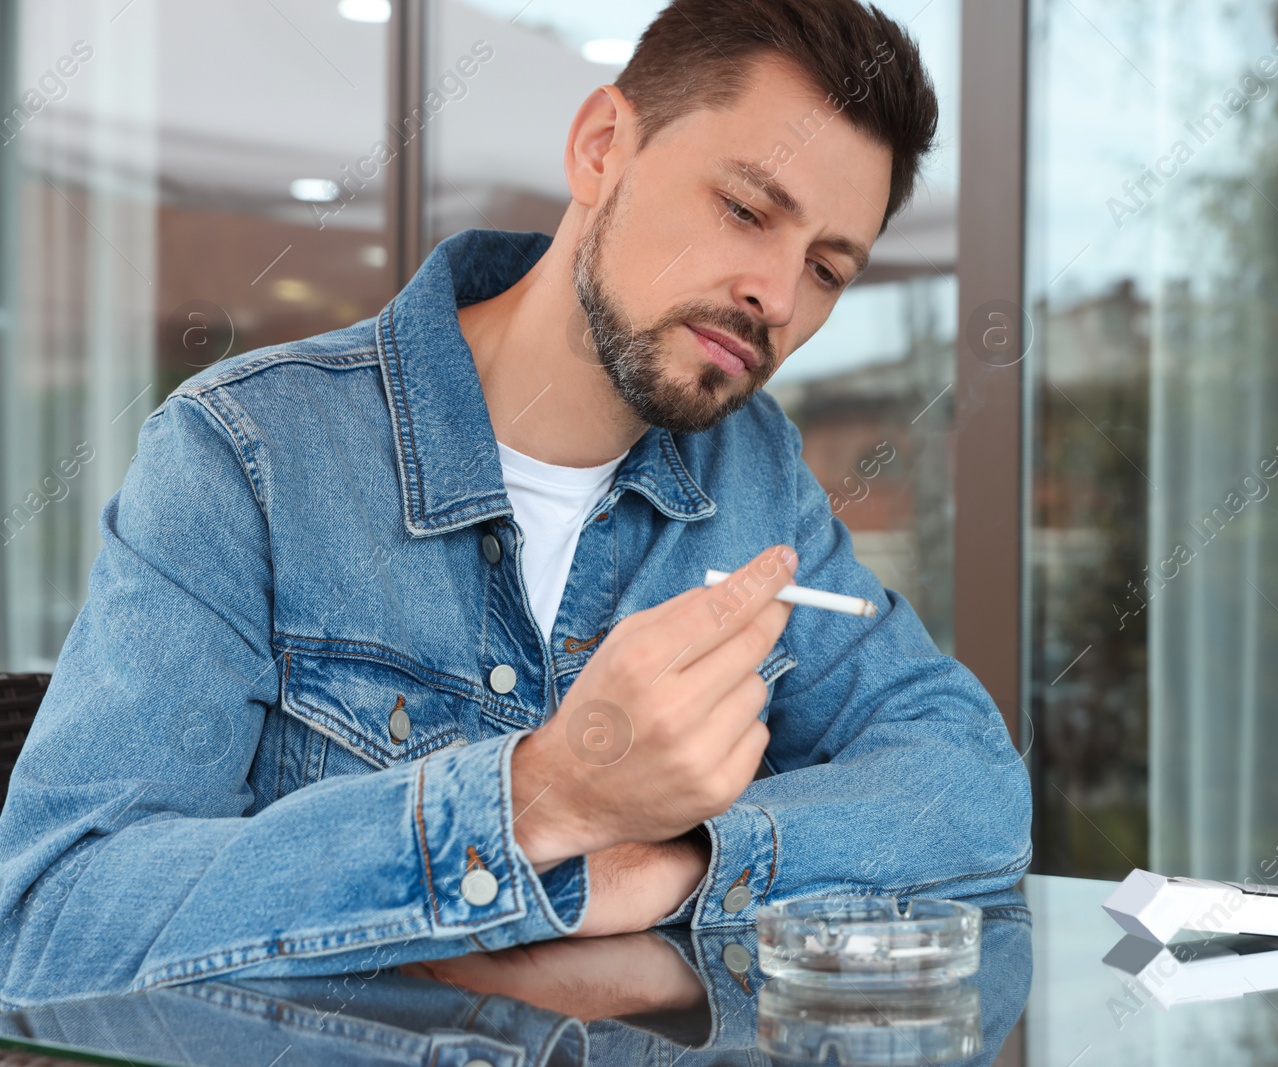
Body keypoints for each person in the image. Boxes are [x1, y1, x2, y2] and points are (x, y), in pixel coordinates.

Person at [0, 0, 1031, 1007]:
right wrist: (544, 800)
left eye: (824, 267)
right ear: (599, 148)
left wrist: (679, 863)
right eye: (746, 209)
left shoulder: (753, 479)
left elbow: (969, 787)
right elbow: (54, 916)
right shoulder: (248, 453)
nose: (776, 292)